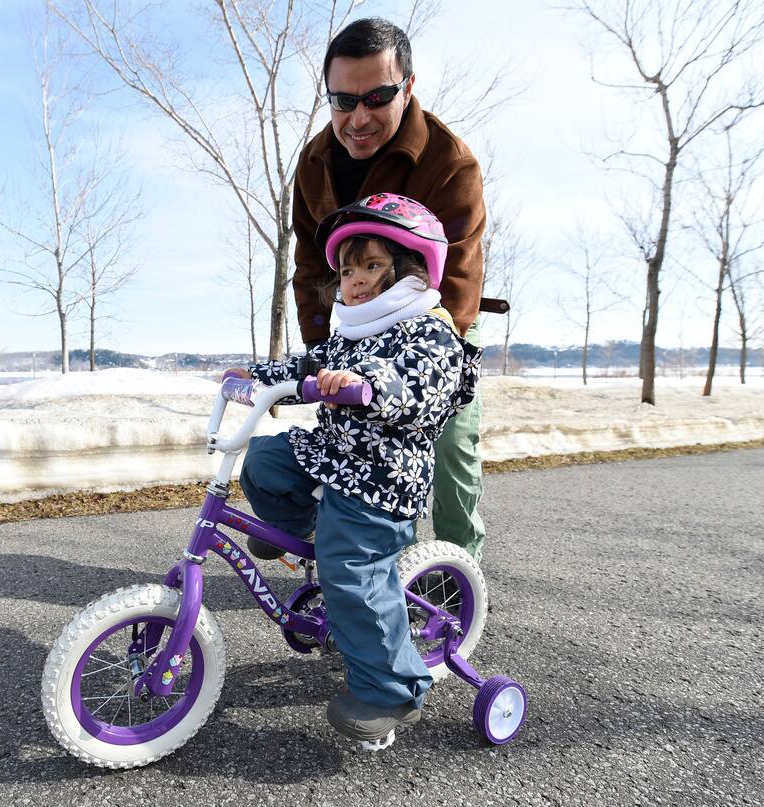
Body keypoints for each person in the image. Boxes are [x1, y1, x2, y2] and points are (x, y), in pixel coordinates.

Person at [226, 193, 481, 746]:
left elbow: (421, 388)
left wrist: (371, 385)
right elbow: (308, 364)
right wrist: (255, 375)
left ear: (410, 269)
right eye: (347, 270)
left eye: (372, 266)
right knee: (265, 459)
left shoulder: (430, 333)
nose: (357, 281)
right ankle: (299, 528)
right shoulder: (350, 331)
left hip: (382, 481)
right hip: (335, 455)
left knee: (352, 572)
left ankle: (392, 691)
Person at [292, 17, 488, 561]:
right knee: (344, 439)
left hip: (438, 320)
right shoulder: (313, 164)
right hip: (355, 319)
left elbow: (456, 279)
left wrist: (417, 373)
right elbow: (310, 264)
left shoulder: (450, 163)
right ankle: (354, 554)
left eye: (376, 97)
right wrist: (319, 354)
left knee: (447, 449)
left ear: (408, 86)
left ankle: (453, 584)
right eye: (342, 100)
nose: (358, 118)